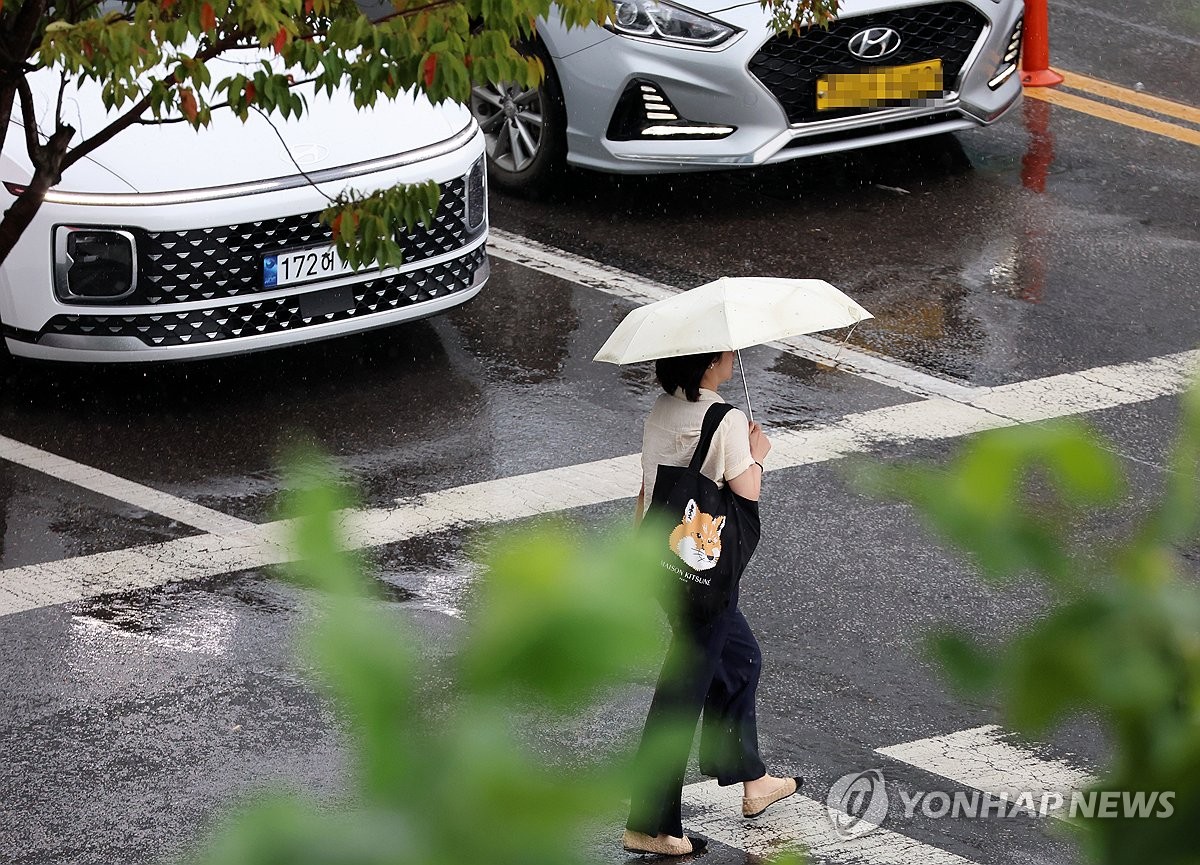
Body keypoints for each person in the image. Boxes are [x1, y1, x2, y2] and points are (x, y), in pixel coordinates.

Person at [622, 350, 803, 858]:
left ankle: (752, 779)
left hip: (664, 561)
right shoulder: (725, 420)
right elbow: (747, 495)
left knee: (741, 658)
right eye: (726, 351)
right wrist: (758, 450)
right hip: (705, 572)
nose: (733, 355)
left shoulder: (660, 410)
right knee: (682, 692)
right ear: (709, 364)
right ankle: (651, 823)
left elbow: (648, 485)